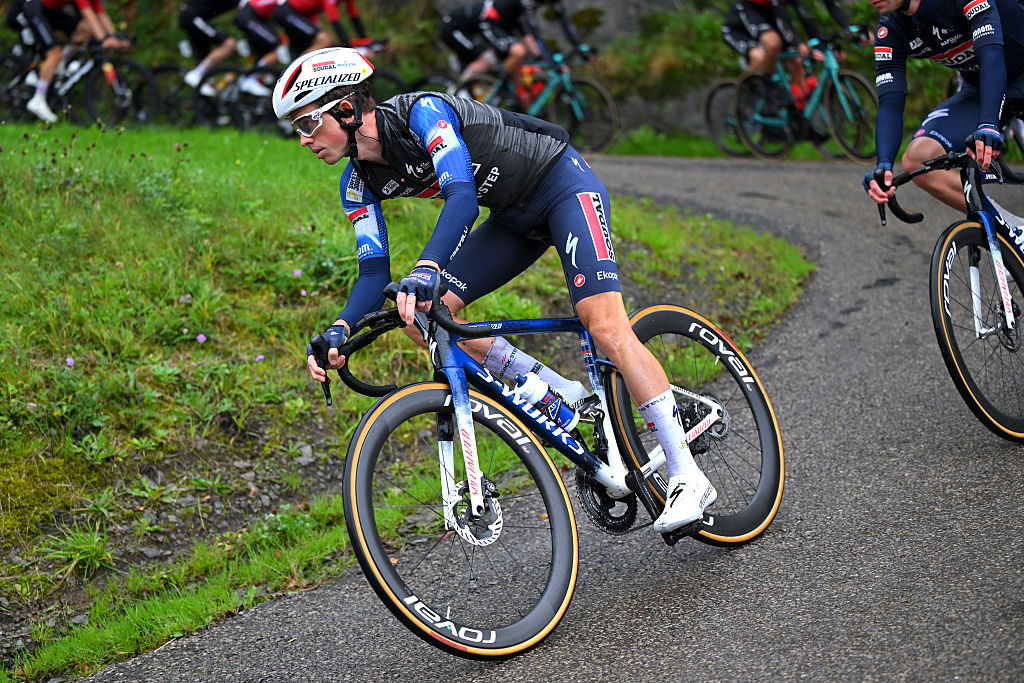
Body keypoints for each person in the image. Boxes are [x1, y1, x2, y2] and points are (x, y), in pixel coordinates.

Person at [275, 46, 718, 533]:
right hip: (513, 219)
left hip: (562, 186)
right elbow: (373, 275)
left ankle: (687, 477)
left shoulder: (424, 114)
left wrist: (426, 267)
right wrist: (339, 329)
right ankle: (565, 397)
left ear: (346, 109)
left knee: (605, 326)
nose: (303, 140)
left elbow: (462, 199)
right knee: (427, 318)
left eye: (308, 124)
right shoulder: (357, 184)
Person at [863, 0, 1024, 228]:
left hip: (1008, 72)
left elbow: (992, 57)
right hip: (979, 89)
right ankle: (1012, 229)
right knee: (917, 160)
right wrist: (884, 165)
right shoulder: (891, 29)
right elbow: (890, 104)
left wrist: (988, 124)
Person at [5, 0, 127, 122]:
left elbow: (101, 15)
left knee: (84, 29)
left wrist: (115, 39)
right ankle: (38, 99)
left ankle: (58, 64)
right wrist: (104, 39)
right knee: (54, 53)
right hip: (33, 9)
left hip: (49, 11)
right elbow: (88, 14)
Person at [179, 0, 246, 95]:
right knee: (229, 44)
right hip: (193, 16)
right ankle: (197, 73)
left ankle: (202, 100)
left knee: (206, 71)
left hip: (193, 16)